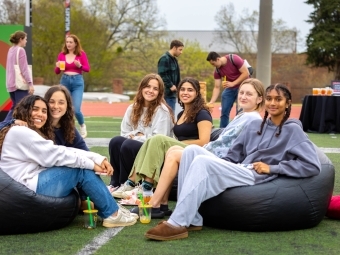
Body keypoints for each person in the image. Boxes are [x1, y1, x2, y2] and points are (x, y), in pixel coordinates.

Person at [145, 83, 321, 241]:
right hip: (239, 168)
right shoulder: (254, 126)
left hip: (255, 174)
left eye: (278, 99)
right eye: (269, 99)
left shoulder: (293, 130)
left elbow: (312, 165)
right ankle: (193, 219)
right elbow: (234, 154)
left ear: (288, 103)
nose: (273, 103)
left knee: (201, 162)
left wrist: (272, 168)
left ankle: (178, 222)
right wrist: (220, 165)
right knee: (191, 151)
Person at [0, 95, 137, 228]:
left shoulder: (23, 132)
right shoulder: (20, 132)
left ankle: (112, 208)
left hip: (29, 186)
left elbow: (61, 150)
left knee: (78, 164)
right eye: (35, 109)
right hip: (27, 189)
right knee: (80, 169)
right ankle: (113, 214)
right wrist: (92, 164)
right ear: (24, 110)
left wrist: (97, 158)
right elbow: (57, 155)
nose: (40, 114)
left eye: (44, 111)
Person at [147, 78, 265, 215]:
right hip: (214, 154)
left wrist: (204, 150)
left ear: (259, 99)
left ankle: (153, 204)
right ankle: (162, 204)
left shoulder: (253, 119)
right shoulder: (243, 115)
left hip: (222, 161)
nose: (243, 97)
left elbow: (232, 147)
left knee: (173, 153)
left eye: (249, 94)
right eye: (241, 93)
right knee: (172, 150)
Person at [112, 77, 213, 217]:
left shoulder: (202, 113)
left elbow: (204, 141)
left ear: (197, 93)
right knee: (152, 141)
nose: (185, 92)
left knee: (158, 139)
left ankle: (139, 185)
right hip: (178, 150)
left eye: (190, 90)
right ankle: (160, 203)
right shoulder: (181, 113)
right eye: (182, 89)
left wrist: (172, 143)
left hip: (194, 151)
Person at [108, 73, 174, 191]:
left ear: (160, 92)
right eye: (147, 86)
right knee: (116, 141)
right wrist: (140, 135)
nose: (150, 91)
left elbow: (158, 140)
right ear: (141, 88)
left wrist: (135, 136)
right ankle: (116, 183)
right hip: (137, 146)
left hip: (155, 155)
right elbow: (124, 133)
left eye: (155, 88)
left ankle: (128, 184)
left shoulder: (162, 111)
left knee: (129, 144)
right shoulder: (132, 108)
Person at [55, 34, 90, 138]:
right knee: (64, 107)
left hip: (77, 82)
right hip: (65, 81)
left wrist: (80, 66)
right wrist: (57, 67)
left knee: (76, 109)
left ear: (75, 44)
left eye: (71, 42)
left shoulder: (81, 54)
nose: (68, 44)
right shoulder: (62, 55)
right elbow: (57, 71)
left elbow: (87, 69)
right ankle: (66, 129)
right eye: (67, 42)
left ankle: (82, 125)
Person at [206, 51, 249, 128]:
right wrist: (211, 102)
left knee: (240, 112)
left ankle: (238, 130)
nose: (213, 66)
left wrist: (233, 83)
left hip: (243, 87)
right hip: (230, 89)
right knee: (224, 111)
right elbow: (217, 87)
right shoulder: (217, 71)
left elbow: (246, 73)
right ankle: (223, 131)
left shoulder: (234, 59)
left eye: (213, 63)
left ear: (218, 59)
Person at [2, 31, 34, 123]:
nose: (26, 41)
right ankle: (4, 127)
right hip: (20, 84)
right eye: (25, 39)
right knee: (23, 107)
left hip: (11, 84)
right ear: (21, 39)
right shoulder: (21, 50)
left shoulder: (11, 49)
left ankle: (3, 126)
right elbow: (24, 69)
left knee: (15, 107)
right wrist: (30, 83)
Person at [158, 40, 184, 112]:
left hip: (172, 94)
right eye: (180, 49)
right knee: (168, 115)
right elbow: (161, 74)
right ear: (174, 48)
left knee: (171, 115)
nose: (181, 52)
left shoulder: (174, 60)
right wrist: (170, 85)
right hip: (166, 94)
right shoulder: (164, 58)